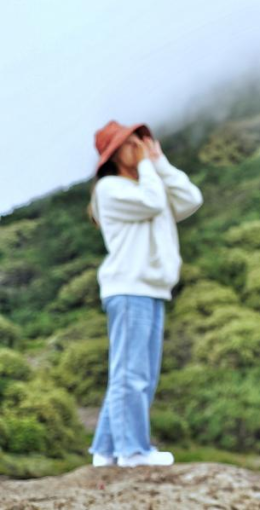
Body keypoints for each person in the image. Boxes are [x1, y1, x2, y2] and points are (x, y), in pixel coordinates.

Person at [85, 120, 203, 467]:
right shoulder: (110, 188)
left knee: (139, 373)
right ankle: (133, 450)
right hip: (128, 287)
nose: (138, 146)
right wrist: (150, 167)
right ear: (114, 154)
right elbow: (152, 202)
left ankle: (106, 450)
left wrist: (160, 163)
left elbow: (191, 199)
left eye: (141, 140)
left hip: (151, 289)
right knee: (131, 373)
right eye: (130, 142)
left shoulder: (148, 184)